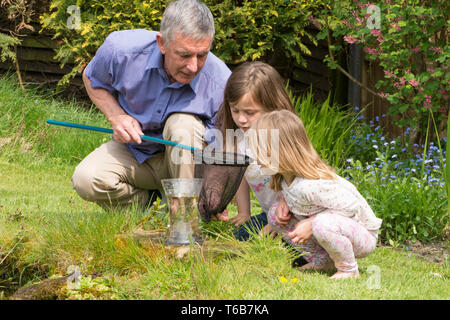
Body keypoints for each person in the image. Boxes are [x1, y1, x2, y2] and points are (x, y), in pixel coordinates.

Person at [71, 0, 231, 210]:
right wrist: (116, 116)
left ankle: (185, 216)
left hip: (185, 165)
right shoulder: (121, 50)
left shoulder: (221, 82)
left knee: (182, 125)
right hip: (133, 153)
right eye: (184, 55)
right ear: (162, 43)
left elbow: (222, 148)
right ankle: (153, 208)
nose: (193, 66)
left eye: (202, 55)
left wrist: (214, 195)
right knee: (86, 179)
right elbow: (92, 78)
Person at [248, 110, 383, 279]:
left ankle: (349, 269)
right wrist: (284, 201)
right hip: (333, 226)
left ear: (281, 152)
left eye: (260, 151)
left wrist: (311, 224)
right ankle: (323, 261)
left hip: (361, 234)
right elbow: (291, 195)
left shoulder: (310, 185)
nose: (255, 157)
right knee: (274, 214)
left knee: (321, 224)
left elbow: (351, 208)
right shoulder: (286, 177)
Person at [214, 62, 296, 240]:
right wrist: (244, 212)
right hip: (269, 214)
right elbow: (241, 174)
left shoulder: (283, 137)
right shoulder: (240, 138)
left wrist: (278, 221)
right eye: (235, 110)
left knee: (293, 246)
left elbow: (296, 181)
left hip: (296, 213)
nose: (241, 119)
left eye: (250, 113)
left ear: (271, 106)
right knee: (240, 236)